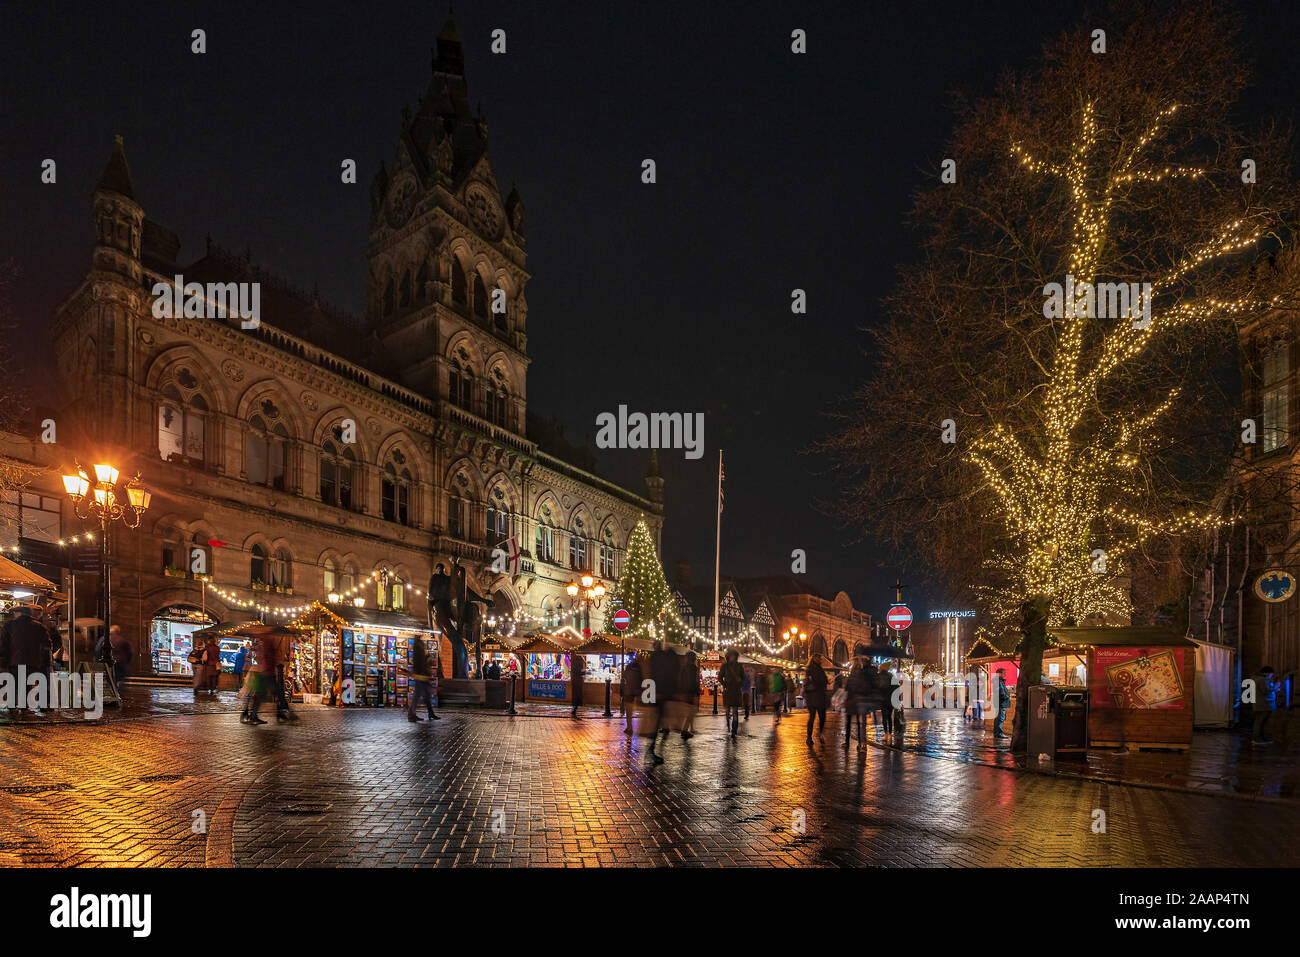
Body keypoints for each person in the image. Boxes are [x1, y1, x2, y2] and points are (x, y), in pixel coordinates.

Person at [0, 605, 53, 720]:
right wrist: (45, 663)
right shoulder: (39, 627)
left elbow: (3, 645)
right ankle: (23, 708)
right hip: (32, 662)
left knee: (13, 684)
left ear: (18, 613)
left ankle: (12, 706)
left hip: (14, 662)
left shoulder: (9, 626)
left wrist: (3, 662)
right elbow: (46, 646)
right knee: (27, 684)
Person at [646, 641, 678, 764]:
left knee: (656, 720)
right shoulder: (663, 661)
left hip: (655, 693)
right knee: (657, 721)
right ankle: (651, 747)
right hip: (660, 694)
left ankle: (651, 745)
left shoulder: (654, 658)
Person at [241, 632, 278, 725]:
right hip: (263, 673)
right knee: (258, 694)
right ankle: (251, 715)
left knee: (260, 694)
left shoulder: (264, 645)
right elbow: (260, 658)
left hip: (263, 672)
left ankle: (251, 715)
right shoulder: (264, 646)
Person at [408, 634, 440, 721]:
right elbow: (420, 663)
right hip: (421, 676)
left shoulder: (418, 650)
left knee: (424, 696)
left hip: (421, 675)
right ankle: (412, 715)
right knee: (420, 696)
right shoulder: (419, 650)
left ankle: (429, 713)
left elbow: (419, 662)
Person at [844, 660, 871, 750]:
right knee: (860, 724)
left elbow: (847, 688)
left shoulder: (851, 676)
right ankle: (860, 742)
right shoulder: (863, 677)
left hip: (850, 701)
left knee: (848, 723)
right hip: (859, 701)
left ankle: (847, 742)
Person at [719, 649, 745, 738]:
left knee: (735, 712)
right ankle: (728, 726)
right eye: (731, 656)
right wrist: (724, 684)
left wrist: (740, 685)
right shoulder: (724, 666)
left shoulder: (739, 666)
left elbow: (743, 678)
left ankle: (734, 730)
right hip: (728, 691)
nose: (732, 658)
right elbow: (720, 677)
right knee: (727, 712)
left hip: (736, 691)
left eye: (734, 656)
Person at [804, 657, 829, 744]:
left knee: (813, 718)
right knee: (821, 717)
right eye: (819, 659)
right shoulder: (816, 670)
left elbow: (806, 684)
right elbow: (824, 681)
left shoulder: (810, 670)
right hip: (817, 697)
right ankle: (819, 734)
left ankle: (809, 737)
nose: (821, 660)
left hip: (812, 698)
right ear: (815, 660)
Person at [1252, 666, 1278, 744]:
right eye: (1271, 674)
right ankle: (1257, 739)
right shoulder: (1262, 679)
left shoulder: (1258, 679)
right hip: (1263, 704)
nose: (1271, 676)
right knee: (1260, 722)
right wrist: (1276, 687)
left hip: (1260, 704)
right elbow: (1265, 691)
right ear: (1267, 673)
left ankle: (1261, 738)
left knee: (1260, 722)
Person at [681, 650, 700, 739]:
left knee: (688, 712)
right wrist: (696, 692)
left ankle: (686, 729)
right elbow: (694, 681)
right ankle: (684, 730)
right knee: (690, 712)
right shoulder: (693, 668)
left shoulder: (683, 668)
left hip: (684, 691)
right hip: (691, 692)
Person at [623, 652, 643, 735]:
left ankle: (629, 727)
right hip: (635, 690)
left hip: (629, 691)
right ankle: (630, 727)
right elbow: (641, 679)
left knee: (629, 711)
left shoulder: (629, 667)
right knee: (631, 710)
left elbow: (624, 677)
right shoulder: (639, 667)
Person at [108, 625, 132, 692]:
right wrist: (127, 662)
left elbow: (97, 650)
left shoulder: (103, 639)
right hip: (120, 663)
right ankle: (117, 691)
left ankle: (111, 691)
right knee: (119, 678)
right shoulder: (122, 640)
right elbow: (129, 653)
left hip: (109, 662)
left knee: (109, 677)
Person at [876, 664, 895, 734]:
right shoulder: (892, 676)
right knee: (889, 717)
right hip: (891, 699)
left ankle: (886, 733)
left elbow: (877, 687)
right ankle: (890, 733)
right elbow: (896, 687)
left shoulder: (879, 676)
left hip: (883, 699)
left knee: (884, 717)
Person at [993, 669, 1011, 739]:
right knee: (1000, 718)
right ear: (999, 674)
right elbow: (1001, 692)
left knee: (998, 718)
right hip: (1001, 703)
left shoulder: (998, 681)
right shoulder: (999, 682)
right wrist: (1007, 696)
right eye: (1004, 673)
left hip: (999, 702)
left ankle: (997, 733)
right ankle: (999, 733)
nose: (1005, 674)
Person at [570, 651, 585, 717]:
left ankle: (575, 709)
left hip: (576, 681)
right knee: (577, 695)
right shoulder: (579, 661)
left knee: (577, 695)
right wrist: (584, 672)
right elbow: (580, 672)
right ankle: (575, 708)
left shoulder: (576, 661)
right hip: (578, 681)